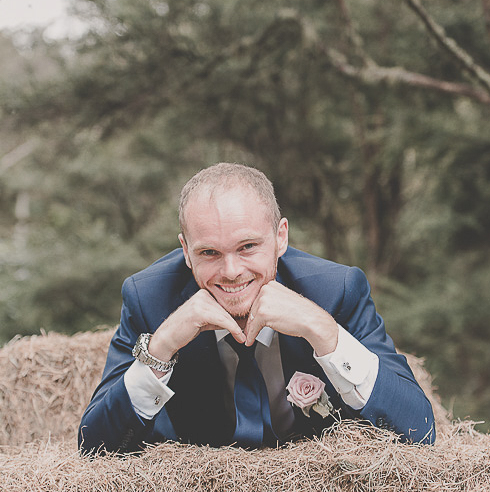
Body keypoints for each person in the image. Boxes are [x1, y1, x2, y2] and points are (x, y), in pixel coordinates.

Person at [78, 163, 435, 453]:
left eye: (247, 246)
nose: (231, 272)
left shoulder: (336, 290)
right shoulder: (150, 298)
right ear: (186, 251)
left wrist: (324, 331)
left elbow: (420, 431)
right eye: (209, 253)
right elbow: (93, 448)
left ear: (281, 237)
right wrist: (161, 347)